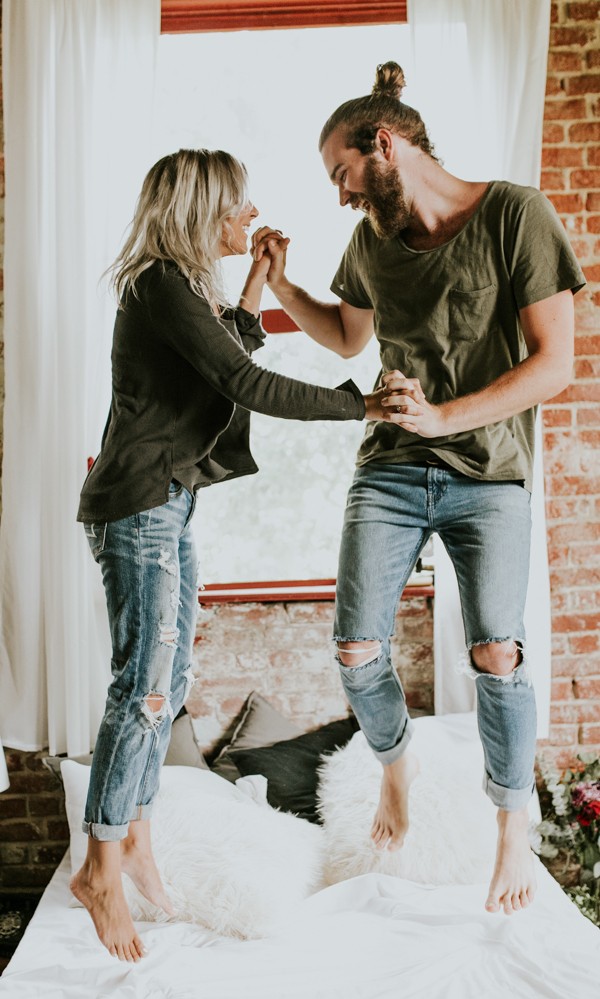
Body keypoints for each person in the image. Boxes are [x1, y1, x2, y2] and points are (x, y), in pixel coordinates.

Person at [256, 62, 586, 917]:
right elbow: (344, 337)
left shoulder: (516, 215)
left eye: (342, 172)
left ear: (387, 144)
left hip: (490, 476)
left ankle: (513, 824)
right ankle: (394, 770)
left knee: (496, 653)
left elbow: (555, 362)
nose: (339, 195)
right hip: (393, 468)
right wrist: (286, 284)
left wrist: (445, 417)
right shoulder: (371, 241)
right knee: (357, 649)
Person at [72, 147, 404, 962]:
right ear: (199, 208)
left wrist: (258, 280)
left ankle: (136, 833)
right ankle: (100, 866)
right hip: (140, 504)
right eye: (239, 207)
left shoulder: (181, 290)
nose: (250, 216)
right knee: (144, 687)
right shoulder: (157, 283)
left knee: (169, 681)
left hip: (169, 501)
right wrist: (355, 403)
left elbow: (227, 356)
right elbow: (245, 380)